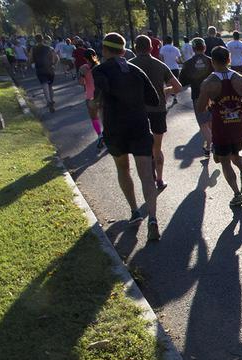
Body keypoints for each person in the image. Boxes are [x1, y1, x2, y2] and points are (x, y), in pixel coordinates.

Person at [92, 32, 163, 241]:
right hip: (139, 125)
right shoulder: (136, 70)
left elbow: (99, 95)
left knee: (123, 168)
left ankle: (134, 211)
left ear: (104, 51)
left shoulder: (101, 70)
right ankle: (153, 218)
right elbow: (154, 98)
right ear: (123, 50)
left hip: (116, 129)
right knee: (146, 174)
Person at [196, 46, 242, 207]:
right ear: (229, 59)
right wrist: (239, 109)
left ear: (212, 62)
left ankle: (237, 194)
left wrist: (209, 103)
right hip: (238, 124)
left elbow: (200, 108)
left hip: (221, 126)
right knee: (234, 153)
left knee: (224, 161)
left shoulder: (209, 83)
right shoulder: (240, 79)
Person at [131, 35, 183, 192]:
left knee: (142, 149)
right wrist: (165, 91)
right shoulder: (160, 66)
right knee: (157, 147)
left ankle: (147, 180)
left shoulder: (129, 66)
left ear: (135, 48)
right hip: (158, 110)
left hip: (137, 111)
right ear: (151, 48)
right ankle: (159, 179)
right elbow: (178, 87)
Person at [180, 37, 215, 157]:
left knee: (203, 124)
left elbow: (182, 83)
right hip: (213, 96)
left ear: (193, 49)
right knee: (210, 122)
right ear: (204, 47)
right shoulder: (212, 61)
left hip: (198, 97)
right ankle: (209, 147)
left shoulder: (188, 64)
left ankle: (213, 145)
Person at [78, 48, 105, 149]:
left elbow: (81, 83)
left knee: (94, 118)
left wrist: (83, 75)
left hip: (90, 96)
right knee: (104, 117)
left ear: (85, 58)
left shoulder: (83, 68)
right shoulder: (101, 66)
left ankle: (99, 135)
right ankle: (107, 134)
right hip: (101, 96)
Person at [28, 34, 58, 112]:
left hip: (40, 69)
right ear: (42, 39)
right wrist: (53, 64)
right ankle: (51, 100)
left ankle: (48, 101)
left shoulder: (33, 49)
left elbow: (30, 59)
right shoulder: (49, 48)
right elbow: (55, 57)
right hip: (50, 69)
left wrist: (31, 63)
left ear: (35, 40)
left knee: (44, 85)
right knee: (50, 86)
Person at [159, 35, 182, 104]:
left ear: (165, 41)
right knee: (175, 83)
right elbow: (179, 60)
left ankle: (167, 98)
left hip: (166, 68)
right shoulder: (176, 49)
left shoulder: (162, 49)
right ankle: (175, 97)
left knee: (168, 84)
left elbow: (160, 58)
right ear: (171, 41)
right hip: (175, 68)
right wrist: (177, 61)